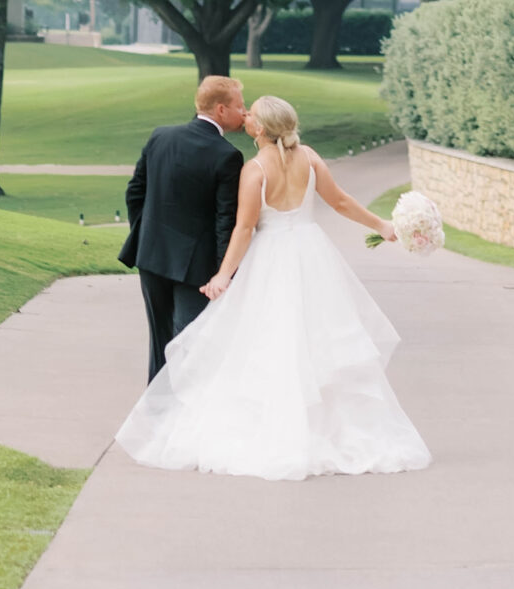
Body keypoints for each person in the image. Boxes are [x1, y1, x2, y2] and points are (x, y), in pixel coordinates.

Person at [115, 92, 431, 480]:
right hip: (310, 256)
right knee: (316, 342)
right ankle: (322, 428)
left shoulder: (255, 169)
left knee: (262, 343)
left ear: (260, 128)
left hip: (268, 261)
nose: (245, 116)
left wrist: (222, 276)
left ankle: (272, 429)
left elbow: (245, 229)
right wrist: (382, 225)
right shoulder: (310, 158)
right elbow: (342, 202)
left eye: (251, 115)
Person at [119, 73, 248, 382]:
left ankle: (155, 417)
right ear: (220, 109)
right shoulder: (228, 156)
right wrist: (224, 274)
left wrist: (147, 234)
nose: (244, 112)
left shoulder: (160, 136)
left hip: (152, 257)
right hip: (196, 270)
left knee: (160, 343)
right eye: (240, 105)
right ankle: (180, 420)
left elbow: (134, 193)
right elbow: (225, 220)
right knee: (190, 345)